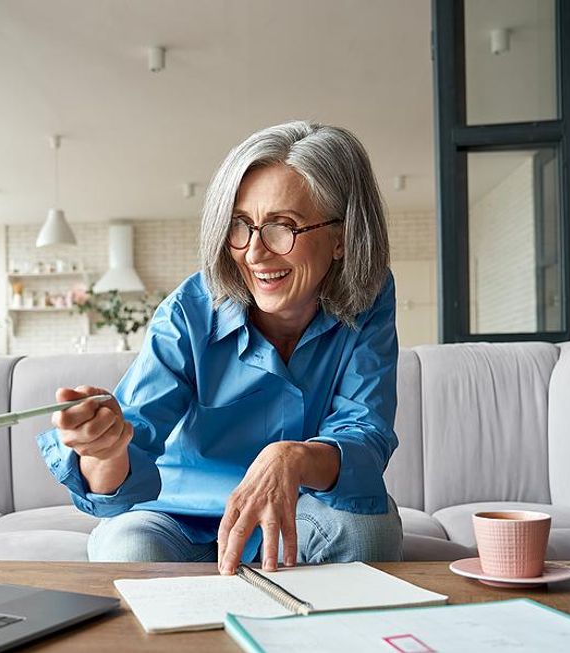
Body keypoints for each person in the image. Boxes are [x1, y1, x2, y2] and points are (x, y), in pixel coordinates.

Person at [36, 121, 401, 575]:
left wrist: (293, 457)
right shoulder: (188, 311)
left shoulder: (369, 297)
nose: (253, 253)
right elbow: (131, 448)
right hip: (175, 515)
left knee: (370, 530)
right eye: (240, 226)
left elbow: (365, 430)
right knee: (126, 547)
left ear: (342, 238)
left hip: (300, 509)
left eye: (282, 228)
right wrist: (104, 450)